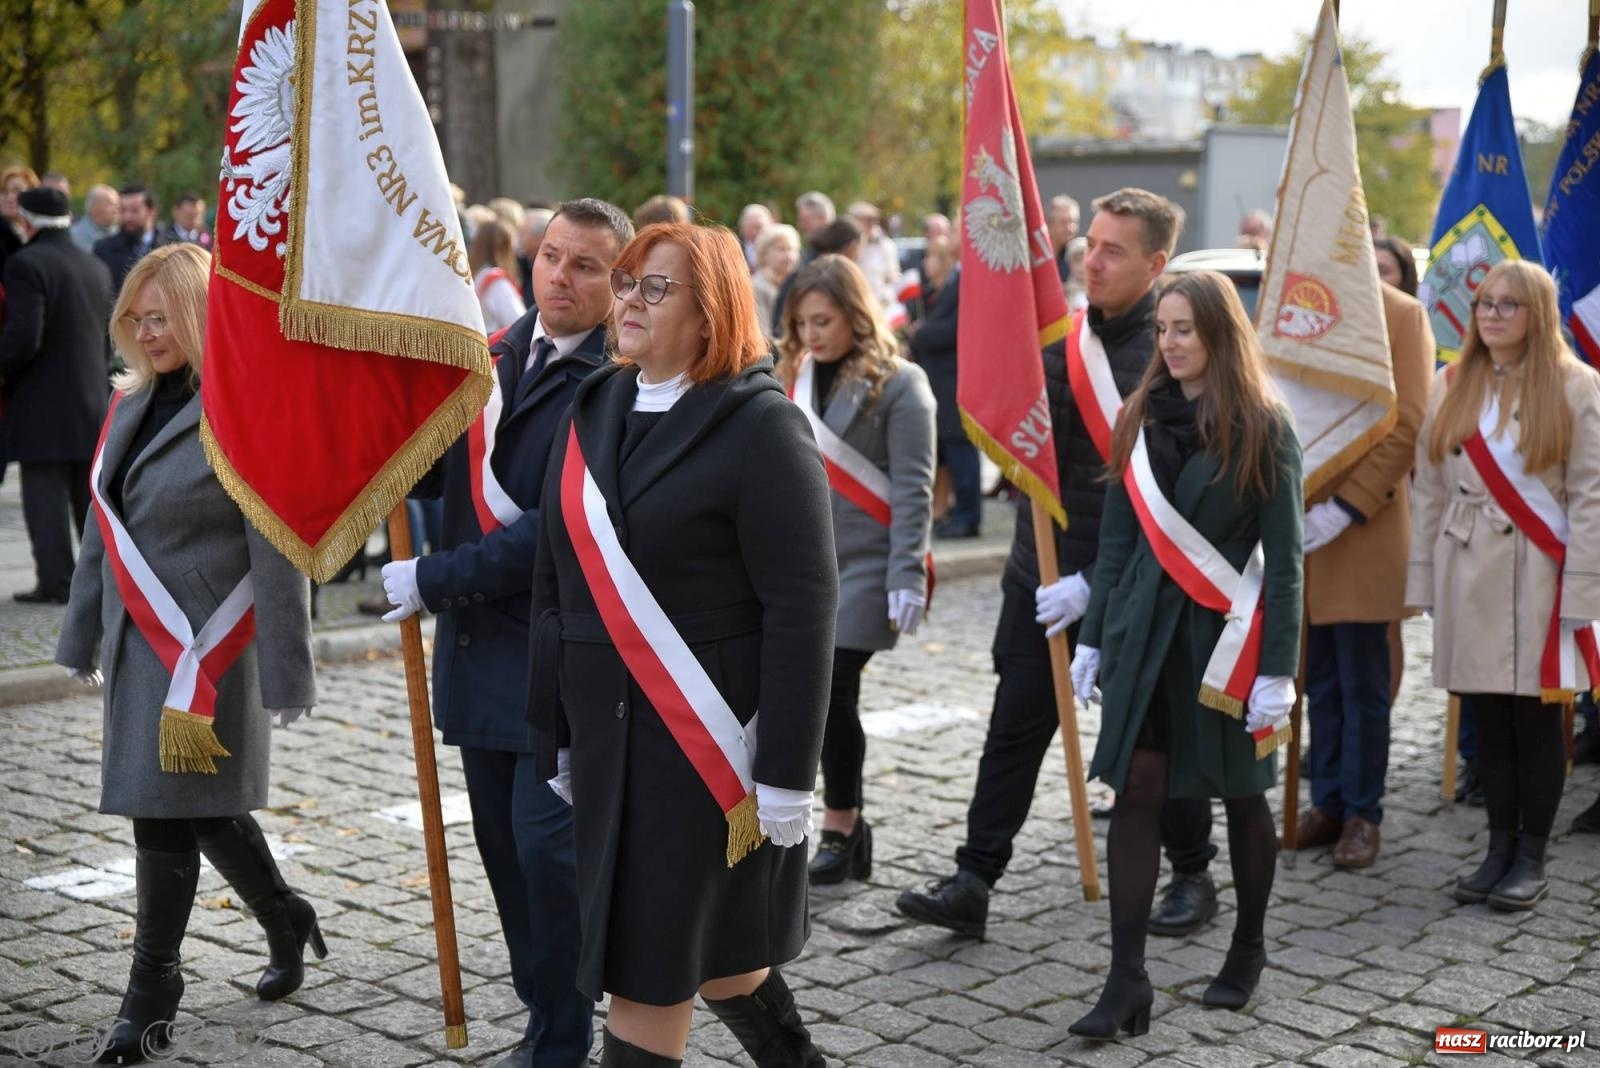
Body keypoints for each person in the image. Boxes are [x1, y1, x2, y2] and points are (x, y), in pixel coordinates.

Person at [528, 222, 837, 1067]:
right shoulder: (593, 403)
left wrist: (784, 776)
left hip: (706, 757)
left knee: (647, 974)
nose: (627, 300)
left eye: (653, 288)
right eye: (625, 282)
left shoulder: (760, 427)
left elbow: (804, 607)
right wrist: (553, 723)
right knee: (726, 960)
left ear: (711, 314)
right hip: (607, 743)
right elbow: (558, 576)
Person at [380, 198, 634, 1068]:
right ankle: (549, 1019)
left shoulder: (617, 386)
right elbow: (419, 464)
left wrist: (431, 579)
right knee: (506, 859)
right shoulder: (484, 362)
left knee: (547, 852)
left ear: (617, 283)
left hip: (562, 663)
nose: (560, 276)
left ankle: (569, 1034)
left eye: (586, 265)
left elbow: (556, 530)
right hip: (478, 661)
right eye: (552, 256)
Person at [54, 243, 319, 1064]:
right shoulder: (131, 402)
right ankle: (283, 915)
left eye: (160, 315)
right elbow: (107, 526)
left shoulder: (241, 410)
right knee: (187, 807)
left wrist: (287, 669)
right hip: (145, 645)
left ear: (200, 315)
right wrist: (80, 632)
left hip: (211, 647)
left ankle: (151, 990)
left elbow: (277, 550)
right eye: (136, 316)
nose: (144, 329)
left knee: (166, 811)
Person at [895, 189, 1182, 938]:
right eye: (1090, 240)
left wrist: (1096, 582)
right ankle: (974, 877)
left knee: (1151, 736)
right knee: (1014, 728)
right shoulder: (1058, 333)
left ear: (1157, 264)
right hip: (1040, 572)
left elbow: (1176, 493)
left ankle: (1192, 869)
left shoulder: (1174, 353)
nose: (1092, 257)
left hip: (1130, 583)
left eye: (1114, 249)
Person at [1069, 268, 1303, 1037]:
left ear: (1219, 335)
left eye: (1184, 329)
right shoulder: (1141, 415)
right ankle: (1126, 977)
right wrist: (1094, 638)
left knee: (1241, 796)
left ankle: (1248, 947)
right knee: (1138, 791)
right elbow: (1116, 542)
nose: (1168, 343)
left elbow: (1288, 560)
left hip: (1221, 647)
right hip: (1144, 640)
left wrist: (1278, 670)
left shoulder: (1265, 425)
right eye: (1163, 329)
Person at [1408, 259, 1600, 912]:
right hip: (1469, 568)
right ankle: (1496, 847)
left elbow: (1590, 500)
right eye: (1485, 302)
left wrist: (1583, 593)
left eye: (1508, 305)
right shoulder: (1451, 383)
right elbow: (1429, 489)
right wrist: (1425, 581)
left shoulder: (1578, 387)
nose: (1491, 314)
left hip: (1540, 577)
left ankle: (1532, 855)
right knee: (1486, 715)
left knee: (1537, 719)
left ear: (1537, 313)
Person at [775, 255, 935, 887]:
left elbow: (914, 488)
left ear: (855, 314)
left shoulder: (901, 383)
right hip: (805, 567)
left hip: (870, 564)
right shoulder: (794, 374)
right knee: (816, 697)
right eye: (802, 322)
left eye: (824, 320)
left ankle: (840, 824)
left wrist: (908, 576)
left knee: (833, 691)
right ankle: (848, 831)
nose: (812, 334)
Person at [1291, 280, 1433, 868]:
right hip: (1298, 522)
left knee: (1363, 684)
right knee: (1316, 678)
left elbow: (1408, 419)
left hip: (1364, 526)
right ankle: (1326, 801)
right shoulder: (1291, 307)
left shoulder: (1400, 313)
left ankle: (1361, 813)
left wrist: (1348, 505)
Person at [0, 187, 114, 604]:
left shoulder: (26, 264)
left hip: (42, 403)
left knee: (44, 498)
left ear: (27, 222)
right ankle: (103, 580)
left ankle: (57, 582)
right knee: (88, 500)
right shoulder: (95, 266)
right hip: (90, 398)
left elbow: (24, 337)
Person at [908, 237, 981, 540]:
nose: (926, 265)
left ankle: (968, 516)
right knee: (946, 453)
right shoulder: (931, 293)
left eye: (932, 258)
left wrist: (920, 334)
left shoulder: (960, 288)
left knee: (961, 451)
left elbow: (955, 331)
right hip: (937, 383)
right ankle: (950, 510)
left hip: (955, 383)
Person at [469, 217, 529, 334]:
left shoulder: (474, 273)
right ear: (505, 246)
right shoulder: (497, 282)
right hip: (494, 346)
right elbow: (519, 323)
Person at [95, 184, 159, 293]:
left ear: (151, 212)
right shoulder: (104, 249)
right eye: (123, 210)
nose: (127, 217)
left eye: (135, 211)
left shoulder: (172, 246)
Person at [751, 223, 801, 335]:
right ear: (764, 254)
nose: (789, 256)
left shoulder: (797, 284)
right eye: (782, 249)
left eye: (792, 249)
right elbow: (763, 334)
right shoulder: (757, 287)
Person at [70, 184, 121, 254]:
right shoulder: (72, 238)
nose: (116, 210)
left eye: (117, 205)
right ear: (93, 207)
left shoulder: (122, 236)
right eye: (110, 205)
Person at [1047, 194, 1080, 284]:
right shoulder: (1034, 258)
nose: (1070, 228)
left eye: (1074, 222)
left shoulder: (1078, 259)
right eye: (1064, 222)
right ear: (1049, 225)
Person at [738, 203, 774, 270]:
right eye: (750, 227)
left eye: (758, 227)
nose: (754, 232)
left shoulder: (776, 247)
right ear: (742, 227)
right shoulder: (736, 247)